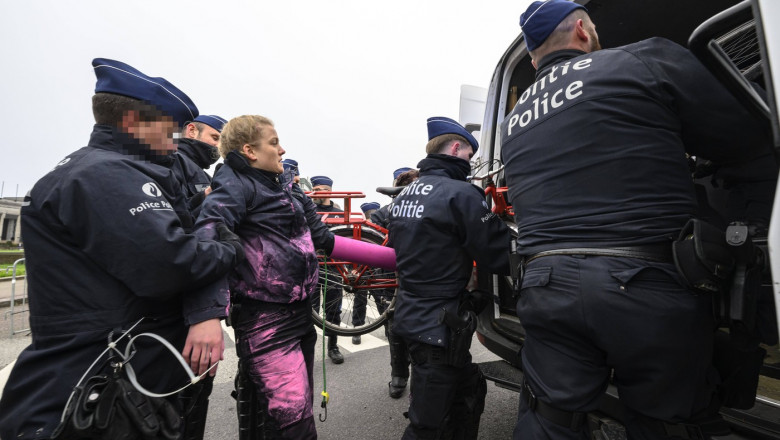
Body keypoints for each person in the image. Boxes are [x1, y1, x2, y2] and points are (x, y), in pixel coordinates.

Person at [501, 1, 773, 438]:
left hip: (544, 286)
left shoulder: (514, 120)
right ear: (583, 32)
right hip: (645, 287)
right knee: (667, 423)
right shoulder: (640, 60)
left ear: (533, 58)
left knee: (552, 418)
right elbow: (747, 136)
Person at [0, 58, 241, 440]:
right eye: (170, 131)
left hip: (122, 377)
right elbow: (172, 264)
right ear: (132, 122)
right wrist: (226, 242)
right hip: (101, 388)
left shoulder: (118, 169)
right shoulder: (105, 175)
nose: (176, 142)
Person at [193, 115, 336, 439]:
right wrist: (206, 314)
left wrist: (400, 259)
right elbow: (207, 239)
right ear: (250, 151)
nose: (282, 150)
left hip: (301, 315)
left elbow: (323, 239)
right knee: (295, 425)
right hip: (265, 323)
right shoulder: (234, 185)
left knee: (287, 419)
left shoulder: (285, 186)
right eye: (274, 143)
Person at [388, 116, 511, 439]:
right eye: (470, 156)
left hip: (412, 316)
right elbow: (498, 253)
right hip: (438, 328)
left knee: (469, 389)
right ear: (456, 147)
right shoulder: (460, 194)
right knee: (426, 426)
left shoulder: (406, 194)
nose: (470, 164)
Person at [372, 168, 419, 399]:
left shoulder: (423, 208)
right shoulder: (381, 215)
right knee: (395, 329)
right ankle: (399, 374)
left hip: (418, 276)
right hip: (390, 278)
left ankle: (419, 374)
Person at [310, 175, 347, 363]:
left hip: (334, 266)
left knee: (333, 309)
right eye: (314, 189)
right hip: (312, 265)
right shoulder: (309, 209)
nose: (316, 193)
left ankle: (333, 346)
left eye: (320, 189)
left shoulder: (338, 211)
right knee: (310, 308)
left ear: (329, 191)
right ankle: (307, 348)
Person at [173, 114, 228, 213]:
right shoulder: (173, 160)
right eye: (215, 138)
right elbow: (172, 211)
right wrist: (206, 195)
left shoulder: (208, 177)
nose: (218, 146)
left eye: (223, 144)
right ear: (192, 131)